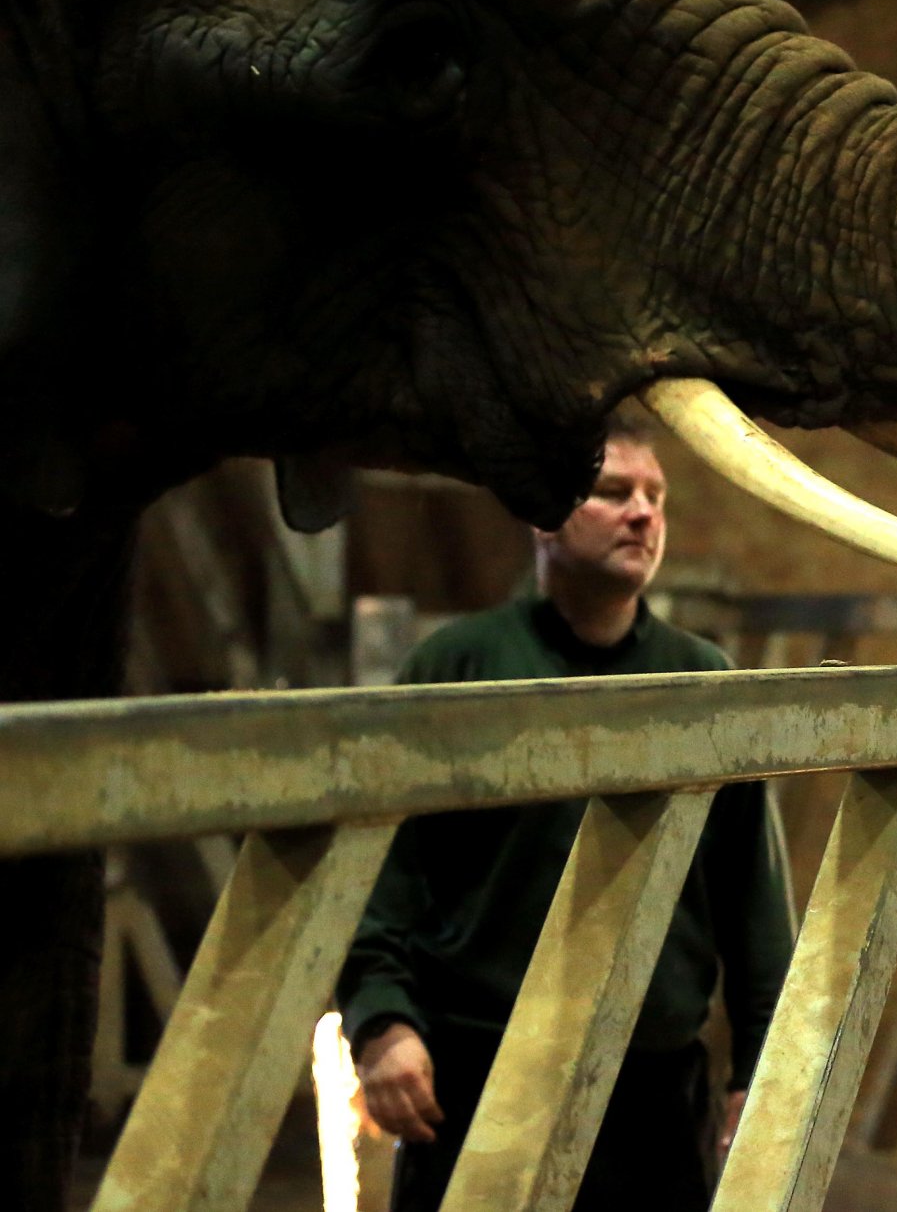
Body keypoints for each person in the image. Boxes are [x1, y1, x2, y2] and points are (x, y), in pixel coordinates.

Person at [337, 418, 793, 1212]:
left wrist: (766, 1070)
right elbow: (382, 871)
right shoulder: (460, 667)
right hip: (476, 1074)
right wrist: (382, 1021)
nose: (643, 514)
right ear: (546, 514)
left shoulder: (702, 679)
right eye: (615, 492)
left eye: (656, 497)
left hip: (650, 1088)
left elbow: (752, 899)